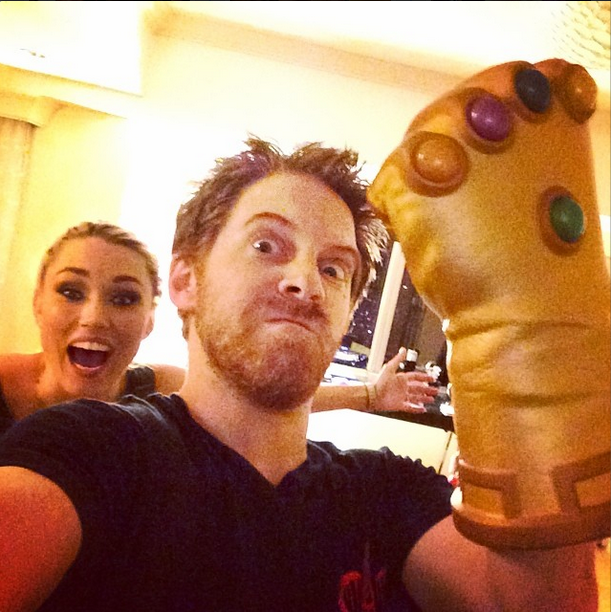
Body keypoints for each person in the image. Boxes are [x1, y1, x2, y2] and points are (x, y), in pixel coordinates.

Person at [0, 138, 596, 611]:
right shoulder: (92, 450)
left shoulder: (389, 493)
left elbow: (527, 602)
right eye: (266, 245)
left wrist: (541, 334)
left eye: (334, 269)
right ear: (185, 281)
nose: (305, 282)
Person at [0, 221, 436, 437]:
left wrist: (372, 396)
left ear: (149, 320)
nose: (94, 317)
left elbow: (256, 400)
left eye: (124, 298)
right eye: (71, 292)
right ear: (38, 302)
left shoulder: (156, 390)